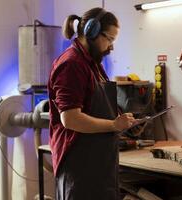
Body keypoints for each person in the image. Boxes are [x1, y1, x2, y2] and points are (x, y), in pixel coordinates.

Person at [47, 7, 136, 200]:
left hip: (98, 163)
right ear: (92, 31)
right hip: (79, 166)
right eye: (109, 39)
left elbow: (98, 106)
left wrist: (126, 123)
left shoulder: (92, 64)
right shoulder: (71, 64)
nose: (111, 47)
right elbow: (70, 119)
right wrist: (113, 125)